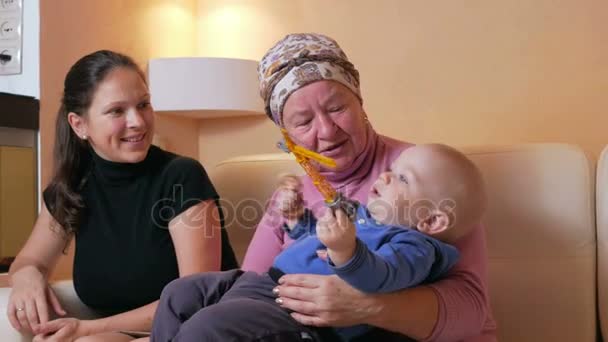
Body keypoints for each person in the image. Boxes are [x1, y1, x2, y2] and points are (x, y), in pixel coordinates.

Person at [241, 33, 497, 341]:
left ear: (360, 103)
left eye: (336, 107)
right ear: (289, 137)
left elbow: (470, 311)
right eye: (304, 121)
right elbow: (247, 290)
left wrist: (366, 306)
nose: (326, 130)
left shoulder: (423, 173)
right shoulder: (289, 198)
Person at [5, 50, 238, 342]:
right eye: (117, 111)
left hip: (199, 328)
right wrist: (27, 276)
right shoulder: (72, 188)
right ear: (79, 124)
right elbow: (29, 261)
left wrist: (86, 329)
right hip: (125, 333)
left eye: (143, 105)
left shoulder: (182, 176)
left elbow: (192, 299)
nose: (138, 121)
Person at [149, 143, 486, 341]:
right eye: (393, 169)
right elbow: (313, 244)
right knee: (180, 292)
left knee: (209, 327)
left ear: (431, 220)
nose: (384, 175)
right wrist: (298, 221)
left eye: (401, 178)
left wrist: (345, 250)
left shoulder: (415, 247)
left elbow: (381, 277)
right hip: (260, 284)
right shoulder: (363, 216)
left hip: (297, 316)